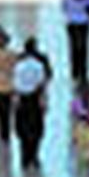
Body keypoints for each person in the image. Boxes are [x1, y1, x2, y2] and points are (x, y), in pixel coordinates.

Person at [13, 37, 53, 169]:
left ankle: (24, 157)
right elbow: (43, 84)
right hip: (35, 99)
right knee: (36, 129)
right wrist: (44, 101)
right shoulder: (39, 65)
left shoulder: (19, 65)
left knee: (22, 129)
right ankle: (34, 155)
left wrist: (16, 101)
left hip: (23, 99)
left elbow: (16, 85)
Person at [63, 0, 89, 84]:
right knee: (83, 47)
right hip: (84, 23)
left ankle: (74, 71)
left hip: (71, 22)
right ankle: (83, 71)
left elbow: (64, 6)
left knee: (73, 46)